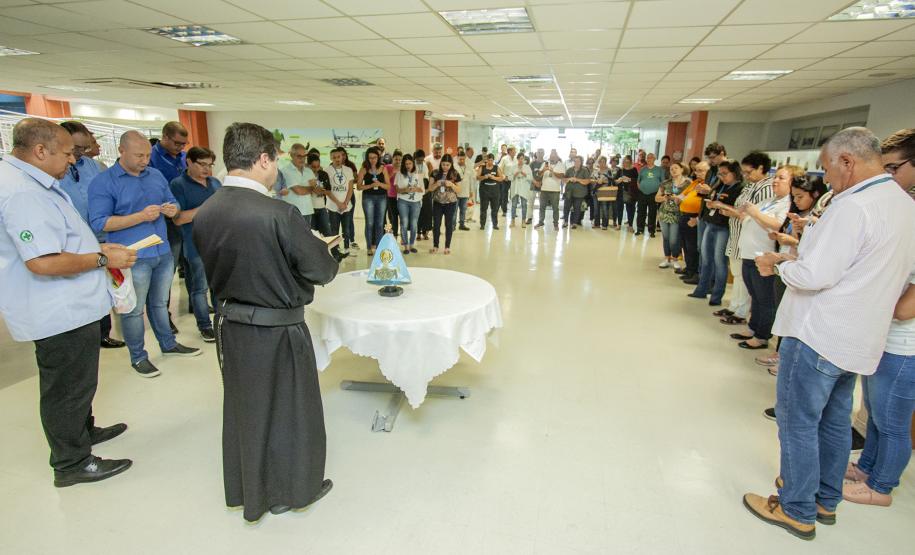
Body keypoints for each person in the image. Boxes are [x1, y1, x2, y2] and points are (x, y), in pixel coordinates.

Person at [744, 127, 915, 541]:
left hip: (820, 333)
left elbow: (816, 274)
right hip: (859, 337)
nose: (826, 178)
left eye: (826, 168)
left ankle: (796, 508)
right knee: (835, 421)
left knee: (798, 421)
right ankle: (824, 498)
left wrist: (778, 266)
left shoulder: (853, 207)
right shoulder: (902, 204)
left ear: (847, 162)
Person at [193, 121, 338, 523]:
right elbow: (320, 270)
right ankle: (293, 489)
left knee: (249, 409)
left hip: (231, 326)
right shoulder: (279, 213)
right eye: (274, 161)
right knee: (292, 408)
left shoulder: (207, 210)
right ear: (263, 159)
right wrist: (323, 251)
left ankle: (252, 491)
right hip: (278, 328)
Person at [1, 118, 136, 486]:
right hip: (56, 310)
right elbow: (42, 261)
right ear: (39, 151)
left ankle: (83, 431)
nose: (73, 161)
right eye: (66, 154)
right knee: (66, 389)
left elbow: (61, 240)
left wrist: (96, 248)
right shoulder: (21, 192)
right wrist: (102, 259)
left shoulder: (34, 181)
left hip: (71, 305)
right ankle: (71, 462)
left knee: (79, 382)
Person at [88, 131, 201, 378]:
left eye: (148, 155)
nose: (144, 160)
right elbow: (99, 223)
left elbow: (173, 203)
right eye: (139, 155)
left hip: (162, 250)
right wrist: (140, 216)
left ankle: (168, 344)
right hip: (131, 256)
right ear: (122, 151)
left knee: (160, 303)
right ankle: (138, 357)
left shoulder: (156, 175)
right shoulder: (104, 182)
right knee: (134, 309)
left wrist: (173, 209)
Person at [842, 128, 915, 507]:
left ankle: (881, 486)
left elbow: (905, 308)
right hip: (884, 337)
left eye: (894, 168)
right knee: (875, 413)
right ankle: (867, 466)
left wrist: (871, 292)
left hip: (906, 345)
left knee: (892, 421)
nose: (888, 177)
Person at [57, 121, 124, 349]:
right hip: (71, 243)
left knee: (103, 288)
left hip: (102, 237)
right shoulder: (54, 172)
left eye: (83, 148)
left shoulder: (95, 168)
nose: (79, 154)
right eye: (75, 149)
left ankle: (102, 333)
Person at [721, 163, 792, 349]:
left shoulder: (787, 203)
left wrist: (754, 213)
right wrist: (740, 214)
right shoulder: (770, 200)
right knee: (754, 294)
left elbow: (776, 224)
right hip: (748, 253)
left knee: (764, 297)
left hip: (762, 254)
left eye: (781, 178)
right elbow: (750, 217)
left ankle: (762, 336)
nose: (775, 181)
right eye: (775, 177)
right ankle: (753, 327)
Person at [169, 146, 221, 342]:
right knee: (200, 288)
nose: (207, 169)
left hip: (219, 243)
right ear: (189, 162)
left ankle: (221, 321)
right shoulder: (178, 185)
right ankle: (205, 326)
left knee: (219, 286)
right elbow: (179, 218)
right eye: (202, 165)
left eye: (210, 165)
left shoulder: (215, 183)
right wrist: (207, 208)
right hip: (196, 244)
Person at [688, 160, 744, 304]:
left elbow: (737, 210)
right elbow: (712, 197)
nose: (722, 176)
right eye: (720, 174)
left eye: (725, 174)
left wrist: (721, 205)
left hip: (724, 228)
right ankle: (701, 289)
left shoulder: (740, 188)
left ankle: (716, 296)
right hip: (710, 223)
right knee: (706, 259)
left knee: (720, 261)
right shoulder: (720, 185)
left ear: (735, 173)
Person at [655, 161, 692, 269]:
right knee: (666, 237)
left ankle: (675, 258)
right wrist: (664, 198)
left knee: (674, 239)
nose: (673, 170)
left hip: (678, 214)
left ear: (682, 169)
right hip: (664, 213)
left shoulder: (688, 183)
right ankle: (667, 258)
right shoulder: (665, 183)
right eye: (671, 169)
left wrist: (679, 198)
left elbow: (691, 198)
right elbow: (656, 198)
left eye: (676, 168)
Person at [356, 146, 389, 255]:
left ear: (378, 157)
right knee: (369, 223)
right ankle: (369, 247)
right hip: (368, 198)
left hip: (382, 198)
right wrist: (370, 185)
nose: (372, 160)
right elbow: (359, 186)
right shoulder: (364, 169)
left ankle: (379, 247)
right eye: (370, 158)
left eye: (374, 157)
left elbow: (388, 186)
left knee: (380, 224)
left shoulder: (383, 168)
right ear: (367, 158)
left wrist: (379, 184)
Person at [676, 161, 706, 280]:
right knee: (685, 245)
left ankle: (695, 272)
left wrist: (697, 219)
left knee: (693, 246)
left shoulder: (706, 186)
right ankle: (689, 269)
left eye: (701, 170)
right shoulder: (695, 183)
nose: (697, 173)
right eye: (696, 170)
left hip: (694, 217)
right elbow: (683, 194)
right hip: (684, 215)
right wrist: (678, 198)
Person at [275, 143, 315, 228]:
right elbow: (299, 191)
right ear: (292, 155)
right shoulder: (285, 171)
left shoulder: (309, 171)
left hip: (308, 211)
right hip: (292, 213)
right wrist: (311, 188)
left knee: (306, 239)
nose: (302, 159)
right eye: (299, 156)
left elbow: (316, 189)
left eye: (304, 156)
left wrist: (310, 189)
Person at [429, 154, 461, 254]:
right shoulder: (435, 173)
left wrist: (451, 184)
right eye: (443, 164)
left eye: (447, 165)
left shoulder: (455, 174)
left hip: (450, 203)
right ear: (440, 163)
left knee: (449, 225)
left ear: (451, 164)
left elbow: (459, 190)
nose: (445, 167)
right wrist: (436, 184)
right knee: (436, 224)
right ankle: (435, 245)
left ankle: (447, 247)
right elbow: (430, 188)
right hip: (438, 202)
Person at [325, 147, 355, 253]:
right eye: (334, 157)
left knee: (346, 229)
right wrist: (338, 203)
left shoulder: (348, 170)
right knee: (334, 229)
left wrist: (345, 203)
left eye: (339, 157)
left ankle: (347, 248)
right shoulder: (326, 171)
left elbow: (350, 188)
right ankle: (335, 250)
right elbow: (327, 190)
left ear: (342, 157)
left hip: (346, 206)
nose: (337, 159)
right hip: (333, 206)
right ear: (331, 158)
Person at [396, 154, 423, 254]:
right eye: (406, 164)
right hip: (403, 201)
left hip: (416, 202)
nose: (408, 166)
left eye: (410, 163)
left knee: (413, 223)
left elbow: (423, 190)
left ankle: (412, 245)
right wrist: (405, 189)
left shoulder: (418, 174)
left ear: (413, 163)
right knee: (404, 222)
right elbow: (397, 190)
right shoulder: (399, 174)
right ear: (403, 164)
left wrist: (416, 189)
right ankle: (405, 246)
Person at [534, 151, 564, 230]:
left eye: (554, 156)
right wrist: (544, 170)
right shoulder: (545, 164)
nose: (552, 157)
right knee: (542, 207)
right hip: (544, 189)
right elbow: (539, 174)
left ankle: (555, 224)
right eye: (551, 156)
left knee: (555, 208)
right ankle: (540, 222)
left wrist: (552, 171)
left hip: (555, 190)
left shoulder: (560, 165)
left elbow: (561, 176)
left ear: (557, 157)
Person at [636, 153, 662, 237]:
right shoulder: (642, 169)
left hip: (654, 195)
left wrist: (659, 193)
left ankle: (651, 231)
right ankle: (640, 229)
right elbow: (638, 181)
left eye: (651, 158)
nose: (649, 159)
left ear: (654, 159)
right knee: (641, 212)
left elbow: (663, 183)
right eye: (648, 158)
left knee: (652, 213)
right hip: (642, 194)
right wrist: (642, 189)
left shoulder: (659, 170)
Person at [476, 153, 503, 230]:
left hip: (495, 191)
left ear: (493, 160)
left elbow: (501, 178)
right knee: (483, 208)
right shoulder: (482, 167)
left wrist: (493, 177)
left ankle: (495, 224)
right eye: (489, 160)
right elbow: (477, 177)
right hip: (484, 191)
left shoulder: (496, 167)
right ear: (486, 160)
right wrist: (484, 176)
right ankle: (482, 224)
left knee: (495, 209)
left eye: (491, 160)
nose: (490, 162)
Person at [563, 156, 591, 229]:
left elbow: (587, 181)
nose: (576, 163)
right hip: (569, 192)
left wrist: (577, 180)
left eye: (578, 161)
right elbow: (563, 180)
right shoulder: (569, 170)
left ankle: (574, 223)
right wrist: (569, 179)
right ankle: (565, 221)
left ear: (581, 162)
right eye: (575, 161)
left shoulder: (585, 170)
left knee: (577, 208)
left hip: (579, 193)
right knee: (566, 207)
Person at [508, 152, 532, 228]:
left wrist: (524, 174)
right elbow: (509, 177)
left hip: (524, 188)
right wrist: (515, 174)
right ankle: (512, 221)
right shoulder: (513, 167)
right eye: (520, 158)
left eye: (523, 159)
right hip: (515, 188)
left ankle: (523, 221)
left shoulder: (527, 167)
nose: (521, 160)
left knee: (524, 205)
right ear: (517, 159)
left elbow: (531, 178)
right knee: (514, 205)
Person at [616, 156, 638, 232]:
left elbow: (637, 181)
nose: (626, 163)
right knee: (619, 209)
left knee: (630, 209)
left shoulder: (634, 170)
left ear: (631, 162)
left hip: (631, 193)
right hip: (621, 192)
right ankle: (619, 224)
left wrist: (629, 179)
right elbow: (615, 181)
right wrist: (618, 180)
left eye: (628, 161)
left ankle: (630, 225)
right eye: (625, 161)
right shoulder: (620, 170)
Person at [415, 149, 433, 240]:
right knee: (418, 213)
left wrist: (427, 189)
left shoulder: (426, 164)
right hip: (416, 191)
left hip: (426, 190)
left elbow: (429, 178)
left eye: (422, 160)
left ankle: (425, 232)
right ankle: (418, 233)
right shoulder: (412, 165)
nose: (420, 161)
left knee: (427, 212)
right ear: (415, 158)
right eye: (418, 160)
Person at [384, 149, 402, 238]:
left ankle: (402, 235)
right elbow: (385, 180)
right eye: (396, 159)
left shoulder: (403, 168)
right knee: (393, 216)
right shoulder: (387, 167)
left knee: (402, 216)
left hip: (401, 196)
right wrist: (392, 174)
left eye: (399, 159)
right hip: (391, 195)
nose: (398, 161)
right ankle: (394, 234)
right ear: (393, 159)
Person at [455, 149, 472, 231]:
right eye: (460, 159)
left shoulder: (468, 167)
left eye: (463, 159)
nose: (461, 160)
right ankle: (452, 225)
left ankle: (462, 224)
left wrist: (471, 191)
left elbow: (471, 179)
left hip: (465, 192)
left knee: (463, 210)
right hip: (456, 192)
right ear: (457, 158)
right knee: (454, 211)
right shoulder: (454, 167)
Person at [498, 146, 517, 216]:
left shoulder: (516, 159)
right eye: (514, 150)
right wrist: (503, 176)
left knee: (514, 196)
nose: (515, 152)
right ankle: (504, 211)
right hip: (505, 180)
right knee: (504, 196)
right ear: (509, 151)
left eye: (515, 151)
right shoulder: (504, 159)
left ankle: (514, 211)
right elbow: (499, 169)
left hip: (514, 180)